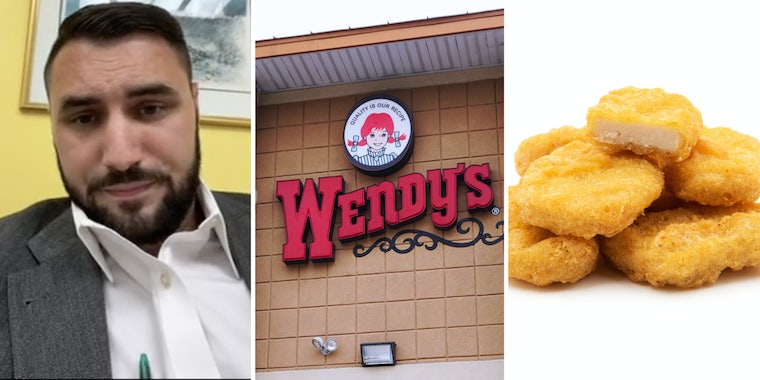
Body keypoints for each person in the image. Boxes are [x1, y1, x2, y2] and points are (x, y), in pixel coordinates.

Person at [0, 2, 250, 378]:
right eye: (84, 118)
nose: (121, 156)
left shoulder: (274, 228)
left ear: (194, 107)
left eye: (150, 109)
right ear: (53, 130)